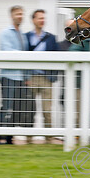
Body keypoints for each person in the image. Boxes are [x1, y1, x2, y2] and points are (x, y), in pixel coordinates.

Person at [0, 6, 30, 145]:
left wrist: (26, 77)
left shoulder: (23, 35)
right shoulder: (5, 33)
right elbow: (7, 50)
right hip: (8, 76)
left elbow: (26, 58)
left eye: (21, 14)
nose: (20, 16)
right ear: (11, 16)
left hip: (20, 77)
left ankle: (9, 138)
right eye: (17, 14)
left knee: (16, 108)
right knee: (6, 107)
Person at [25, 9, 60, 143]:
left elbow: (57, 58)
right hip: (31, 78)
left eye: (43, 18)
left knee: (47, 110)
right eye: (39, 18)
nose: (42, 20)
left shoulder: (51, 38)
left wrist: (52, 77)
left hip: (46, 79)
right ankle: (28, 138)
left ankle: (49, 138)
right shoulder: (27, 36)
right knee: (29, 109)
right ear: (33, 20)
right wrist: (26, 78)